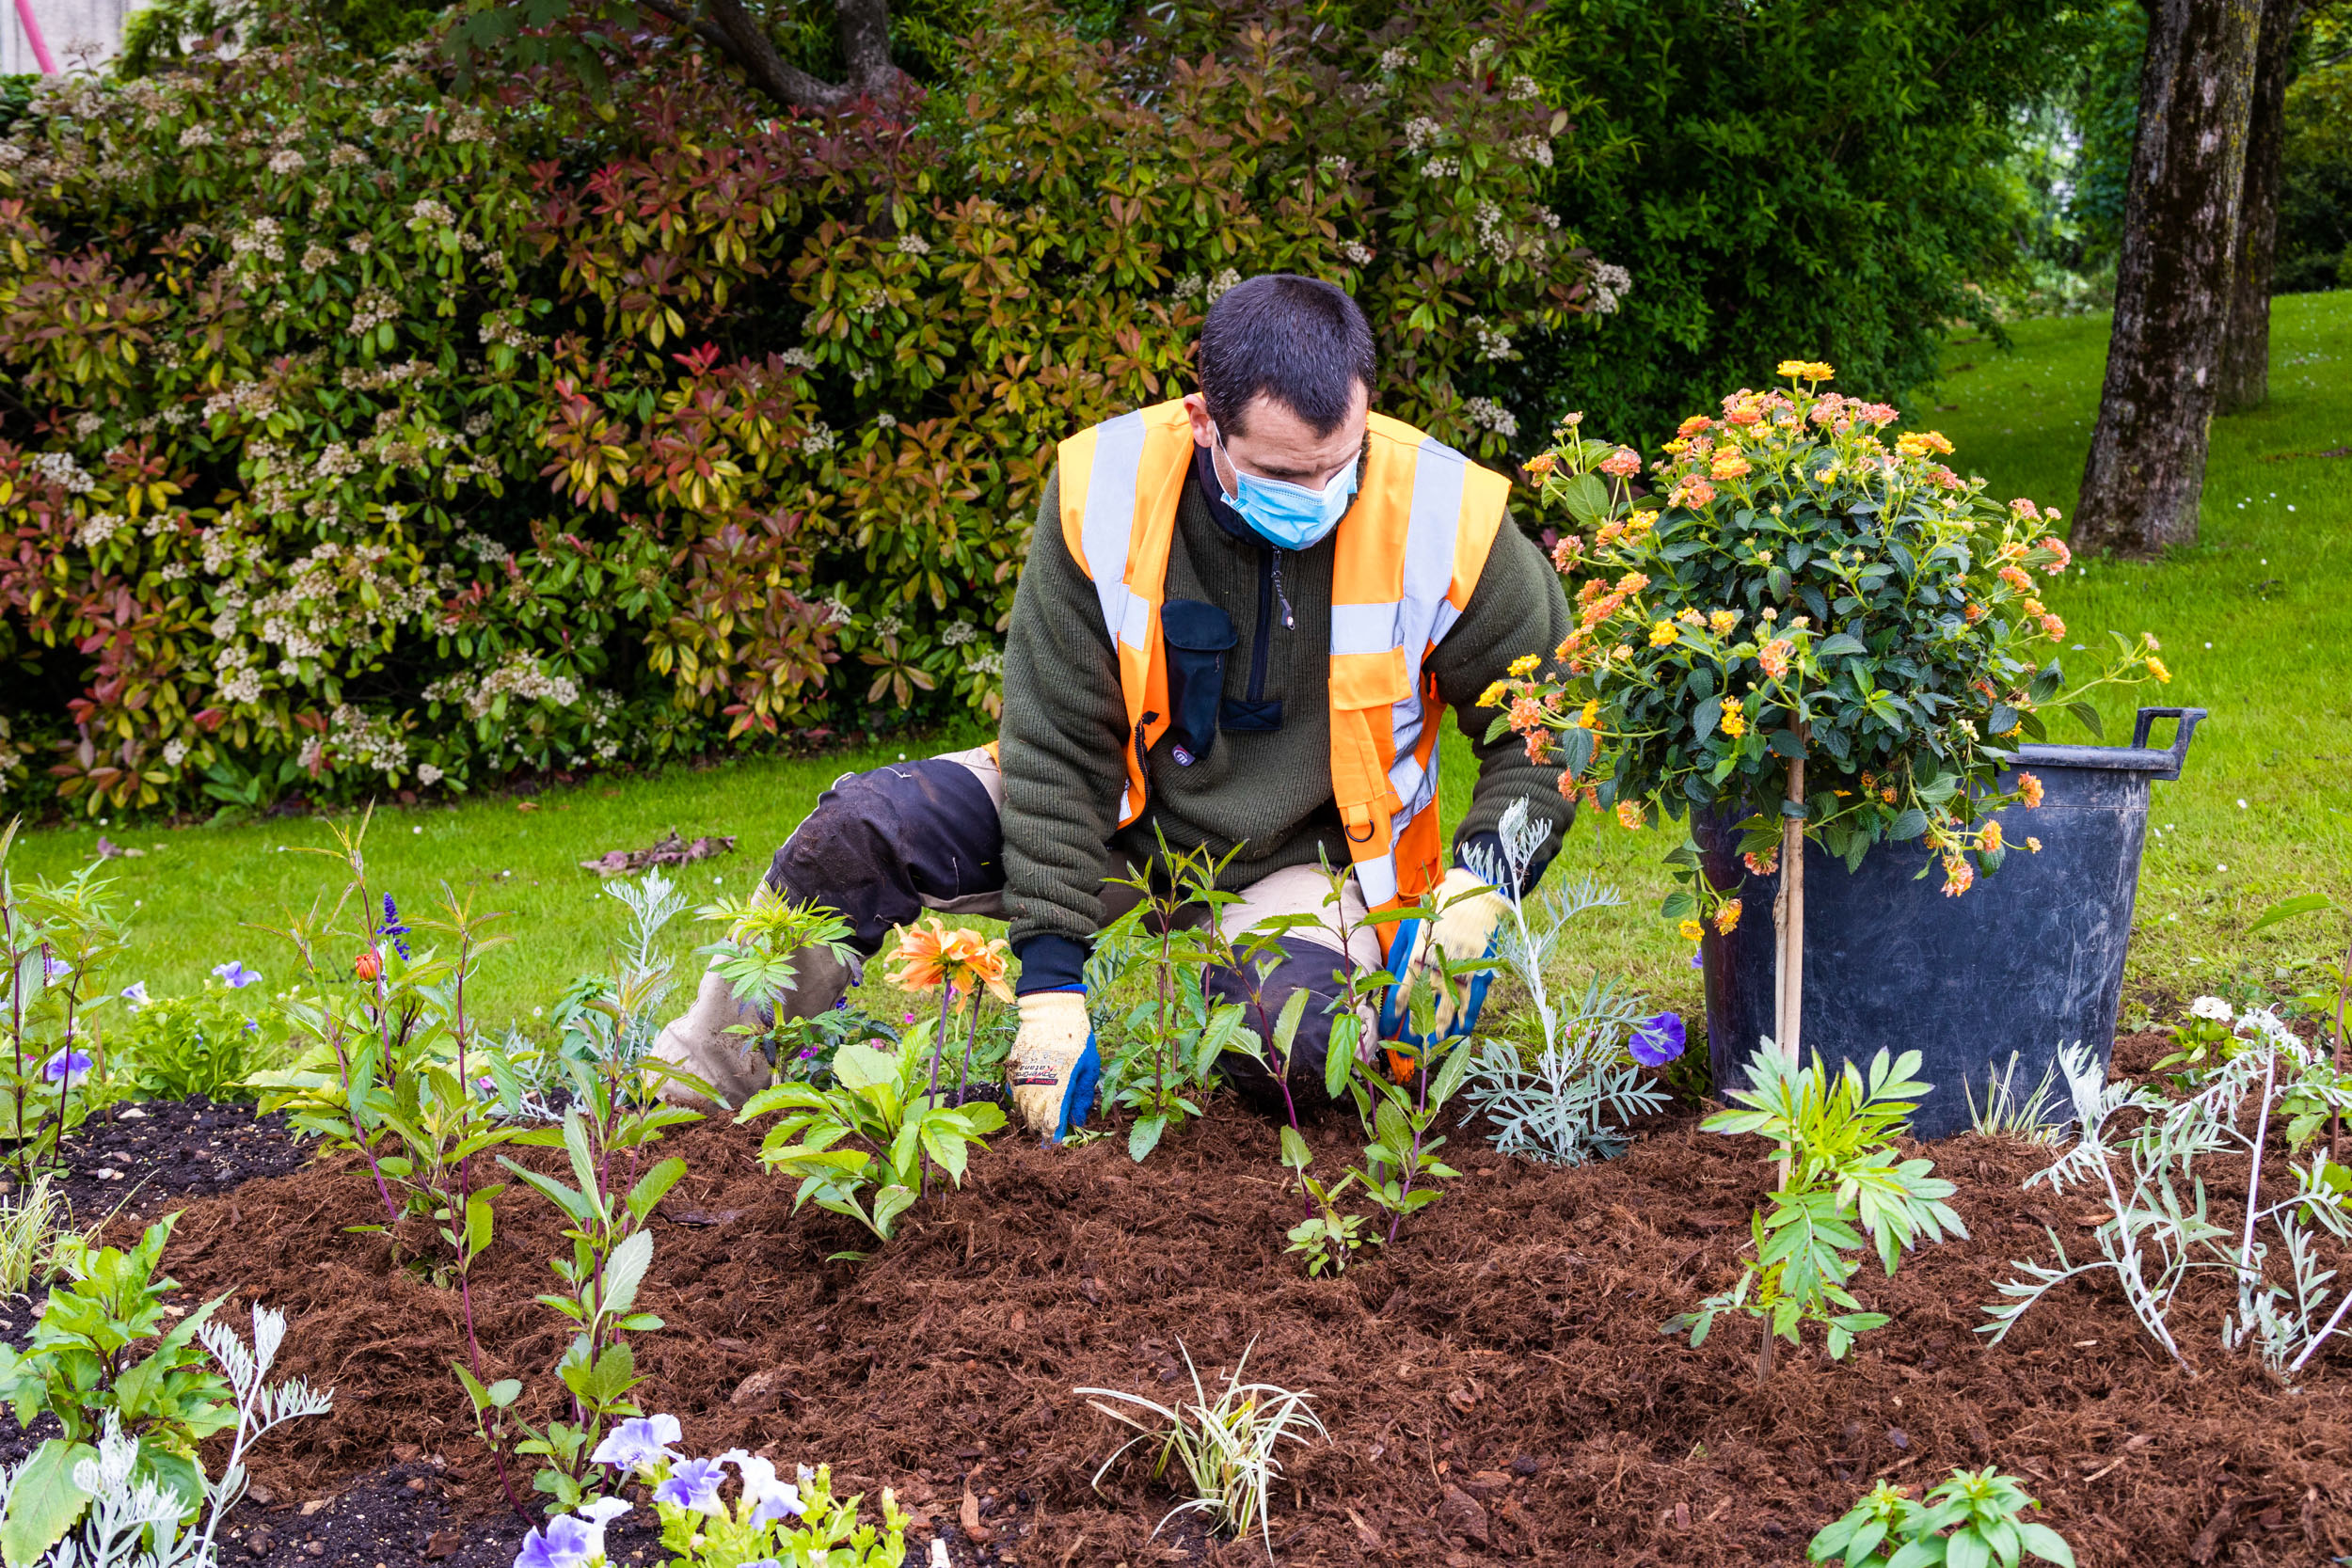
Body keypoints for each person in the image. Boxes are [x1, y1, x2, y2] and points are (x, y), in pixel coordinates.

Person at [652, 274, 1573, 1138]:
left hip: (1306, 853)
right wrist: (1051, 984)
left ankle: (1372, 1037)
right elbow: (1055, 743)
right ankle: (693, 1090)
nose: (1321, 498)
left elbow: (1548, 722)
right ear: (1204, 418)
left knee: (1288, 1048)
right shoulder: (1107, 489)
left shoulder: (1447, 515)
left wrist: (1478, 889)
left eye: (1341, 465)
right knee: (852, 836)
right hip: (1120, 813)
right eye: (1285, 476)